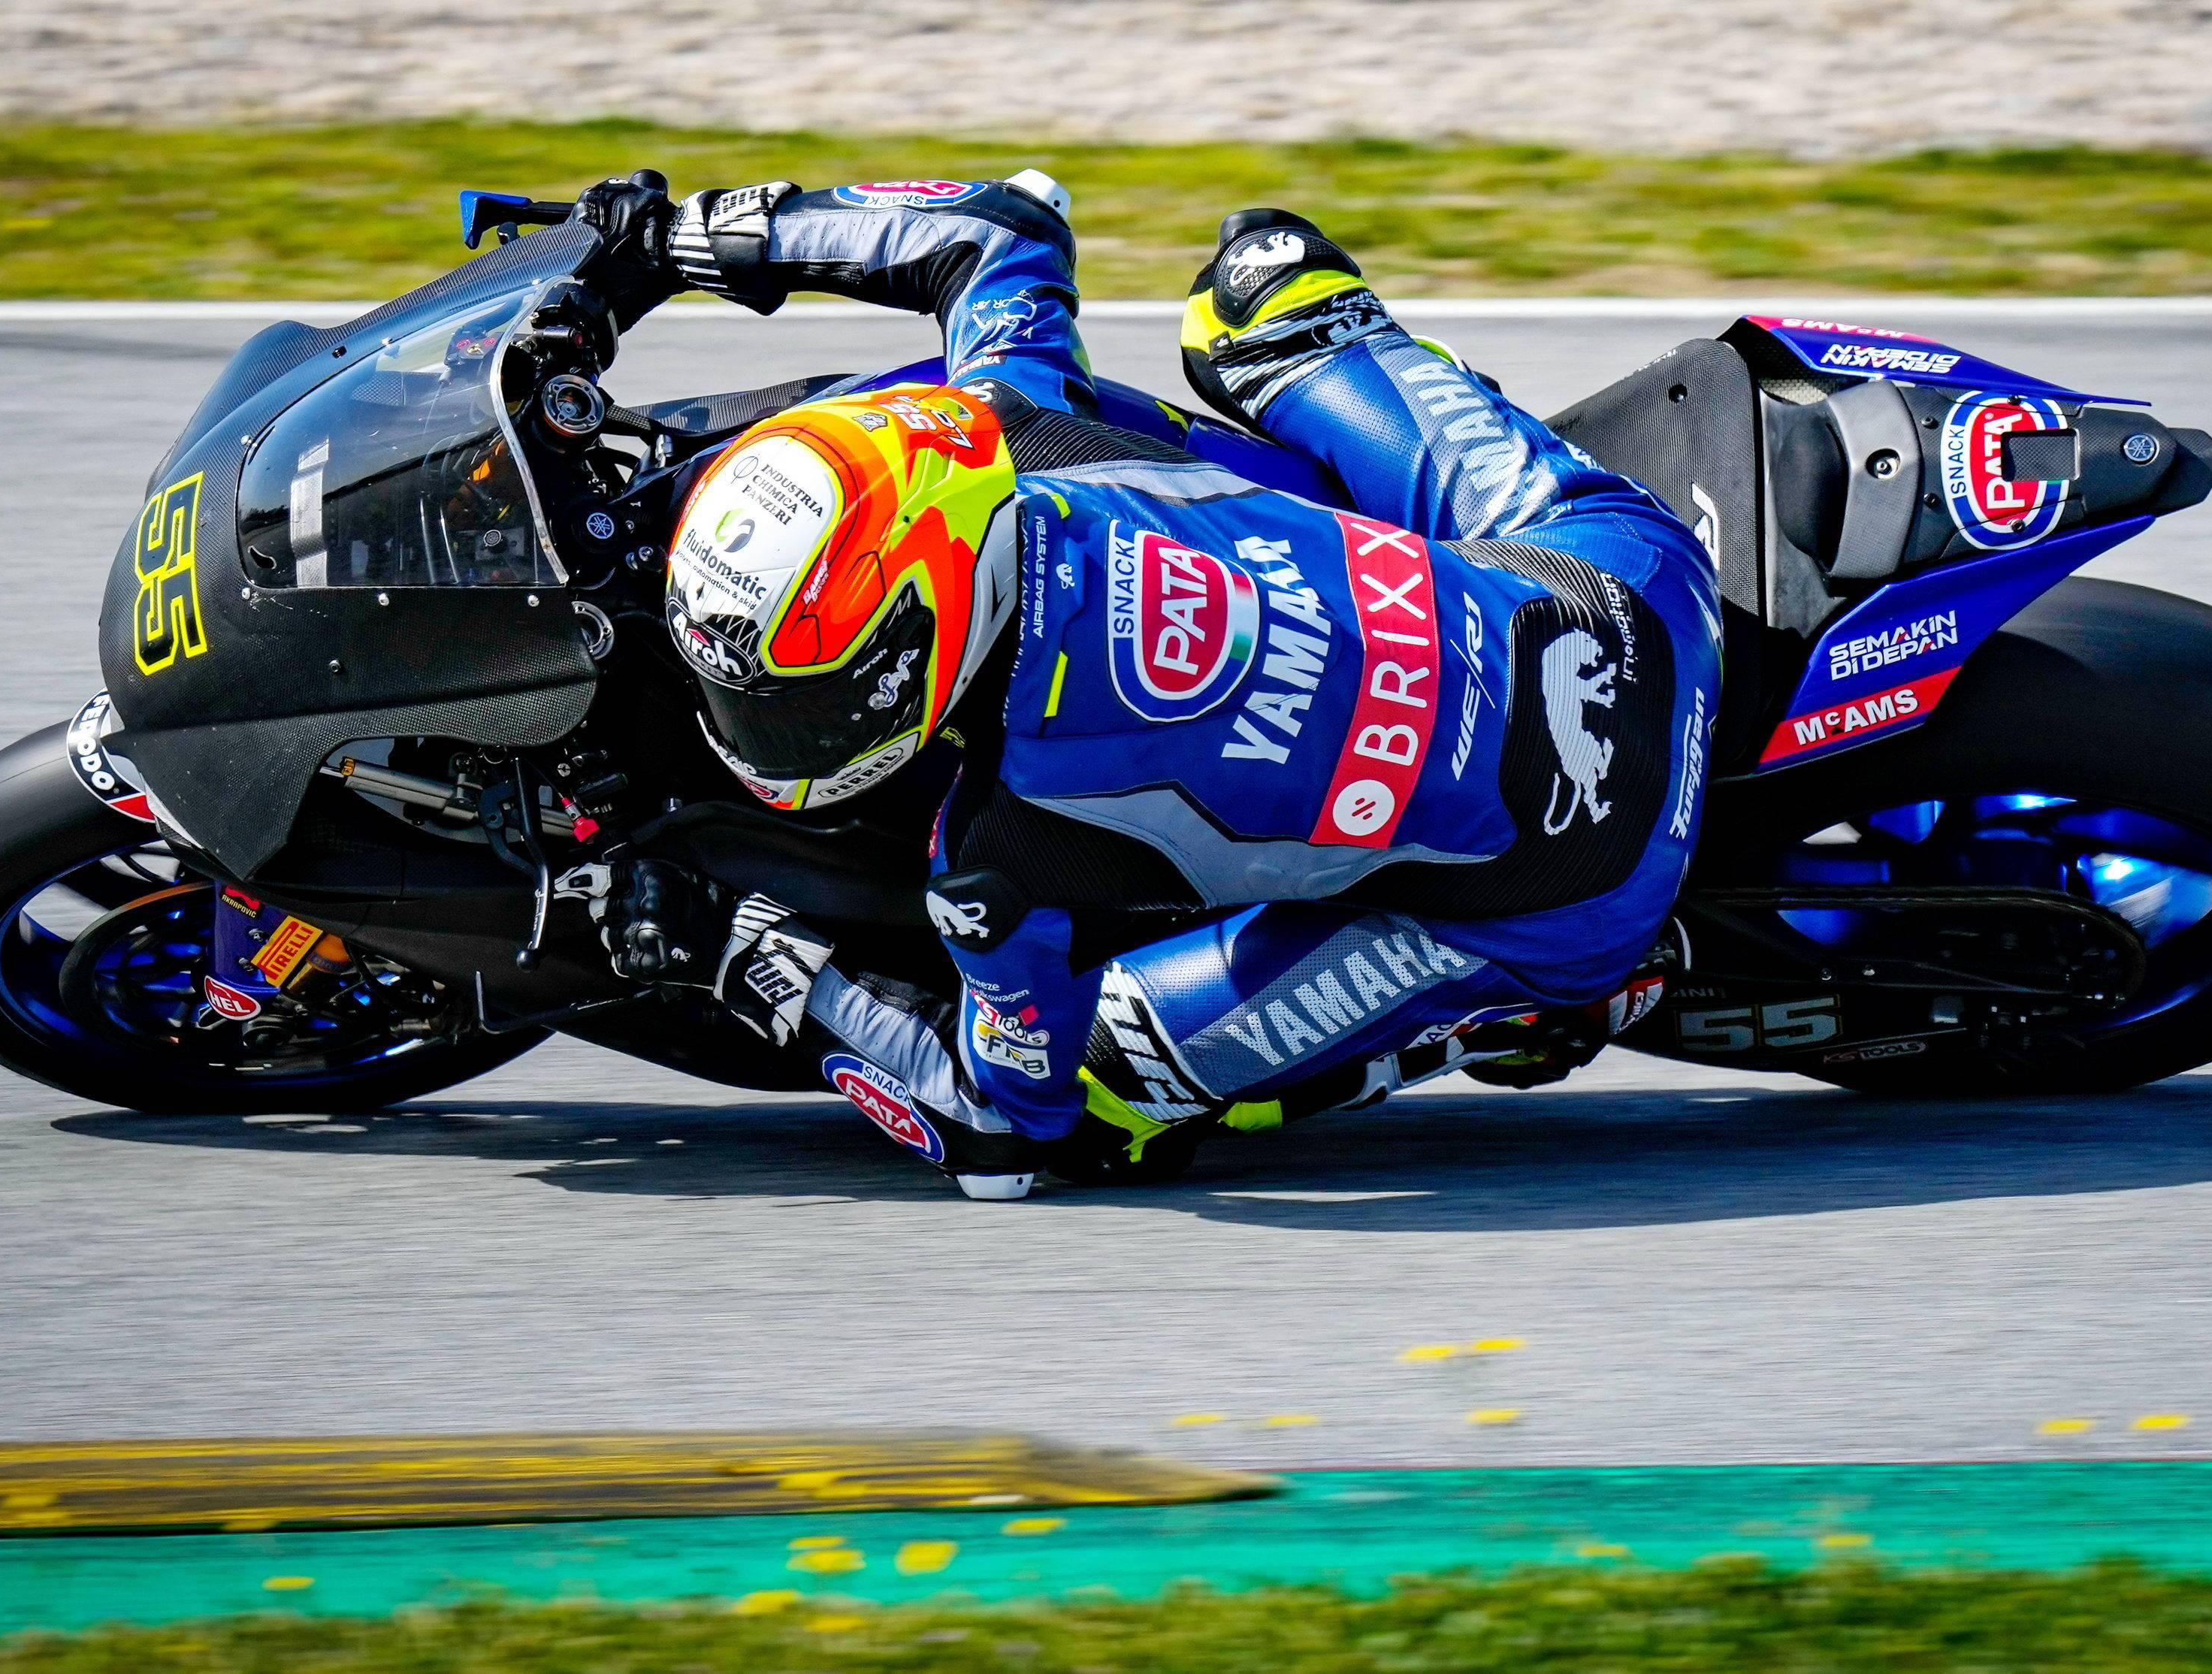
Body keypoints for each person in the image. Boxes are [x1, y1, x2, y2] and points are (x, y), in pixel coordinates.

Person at [571, 171, 1721, 1198]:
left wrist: (743, 954)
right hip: (1635, 578)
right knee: (1257, 293)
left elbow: (1002, 1128)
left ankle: (1519, 1008)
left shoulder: (1002, 857)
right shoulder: (1023, 419)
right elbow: (1000, 227)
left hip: (1588, 891)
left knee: (1103, 1101)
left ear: (922, 630)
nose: (753, 728)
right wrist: (676, 241)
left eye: (792, 699)